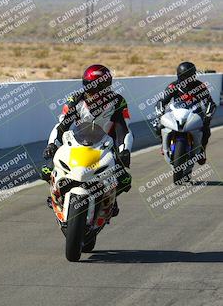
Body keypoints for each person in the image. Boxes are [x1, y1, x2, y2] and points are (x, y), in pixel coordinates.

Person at [41, 64, 133, 213]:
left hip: (106, 146)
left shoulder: (117, 101)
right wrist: (52, 144)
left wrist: (125, 150)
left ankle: (111, 199)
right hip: (77, 143)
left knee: (125, 180)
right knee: (46, 169)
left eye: (98, 88)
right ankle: (56, 195)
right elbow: (62, 126)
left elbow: (124, 130)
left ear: (106, 88)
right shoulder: (75, 100)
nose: (93, 93)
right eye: (89, 87)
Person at [155, 61, 216, 164]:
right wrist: (160, 112)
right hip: (176, 113)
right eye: (184, 77)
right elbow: (162, 101)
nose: (187, 80)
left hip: (196, 114)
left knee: (206, 129)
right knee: (158, 126)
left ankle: (202, 150)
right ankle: (163, 144)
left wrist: (208, 115)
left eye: (189, 76)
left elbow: (210, 102)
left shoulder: (199, 86)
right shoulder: (173, 86)